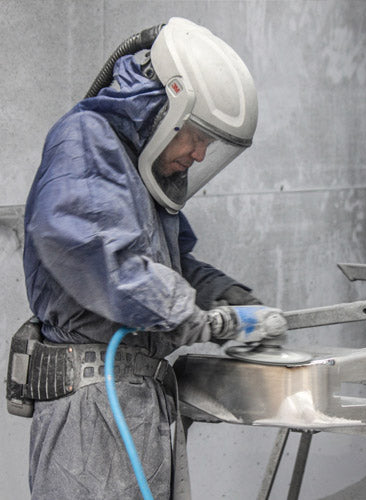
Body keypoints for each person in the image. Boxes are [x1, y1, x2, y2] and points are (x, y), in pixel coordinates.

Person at [21, 18, 286, 499]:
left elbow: (172, 268)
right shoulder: (85, 140)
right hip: (91, 409)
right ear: (165, 106)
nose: (201, 155)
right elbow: (111, 267)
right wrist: (217, 323)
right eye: (198, 136)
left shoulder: (139, 169)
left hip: (133, 402)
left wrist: (226, 294)